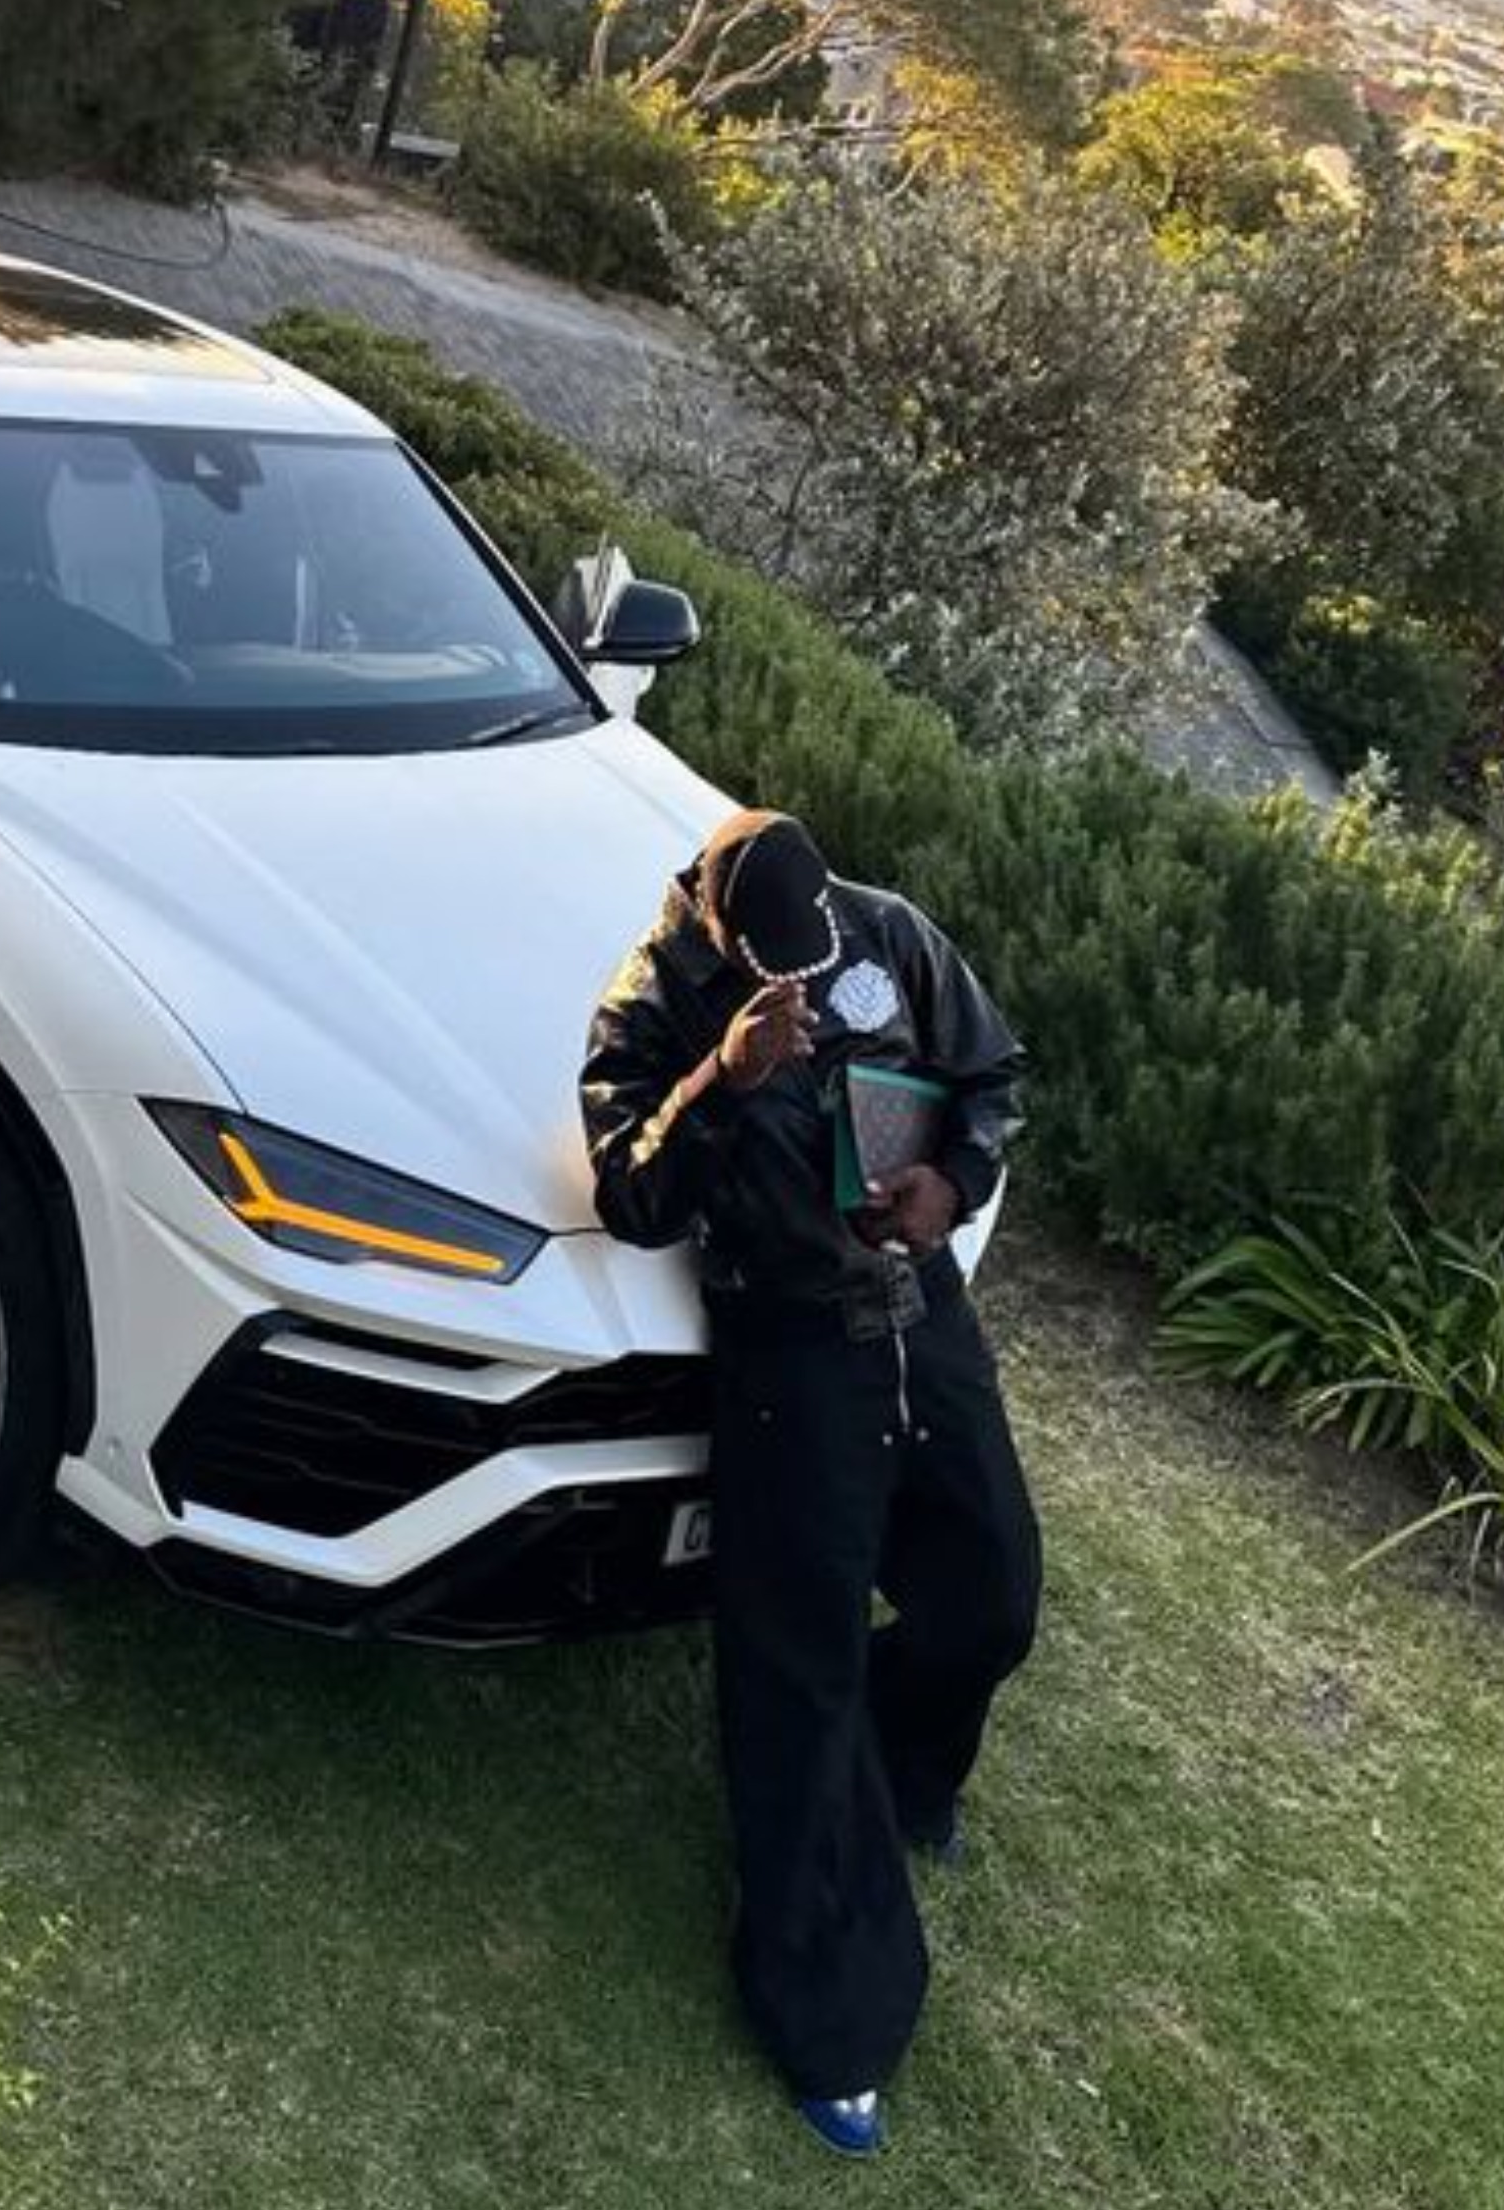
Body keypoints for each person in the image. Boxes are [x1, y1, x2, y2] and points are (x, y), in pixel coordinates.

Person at [582, 809, 1042, 2161]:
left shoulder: (889, 932)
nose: (806, 978)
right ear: (727, 938)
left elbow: (990, 1072)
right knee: (801, 1669)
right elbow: (631, 1198)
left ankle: (899, 1773)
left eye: (817, 956)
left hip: (919, 1311)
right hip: (790, 1344)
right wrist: (717, 1084)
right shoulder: (651, 1005)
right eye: (777, 967)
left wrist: (952, 1183)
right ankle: (832, 2020)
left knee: (993, 1591)